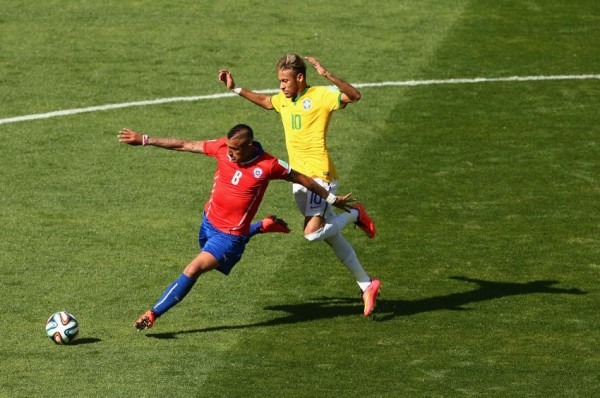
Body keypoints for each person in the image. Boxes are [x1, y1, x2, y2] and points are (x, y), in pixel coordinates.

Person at [118, 124, 357, 330]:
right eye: (229, 148)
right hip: (208, 222)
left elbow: (302, 178)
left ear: (250, 145)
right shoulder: (222, 148)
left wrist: (332, 199)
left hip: (228, 237)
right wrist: (145, 140)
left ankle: (153, 313)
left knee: (193, 269)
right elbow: (184, 144)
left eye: (235, 149)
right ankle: (262, 226)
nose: (230, 153)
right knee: (201, 258)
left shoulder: (269, 165)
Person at [218, 54, 380, 316]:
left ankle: (354, 214)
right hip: (298, 179)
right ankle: (366, 284)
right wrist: (235, 88)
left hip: (319, 175)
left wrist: (328, 75)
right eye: (280, 81)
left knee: (312, 234)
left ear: (300, 78)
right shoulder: (283, 101)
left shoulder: (321, 96)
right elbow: (265, 101)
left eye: (285, 81)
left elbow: (354, 96)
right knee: (332, 239)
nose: (281, 86)